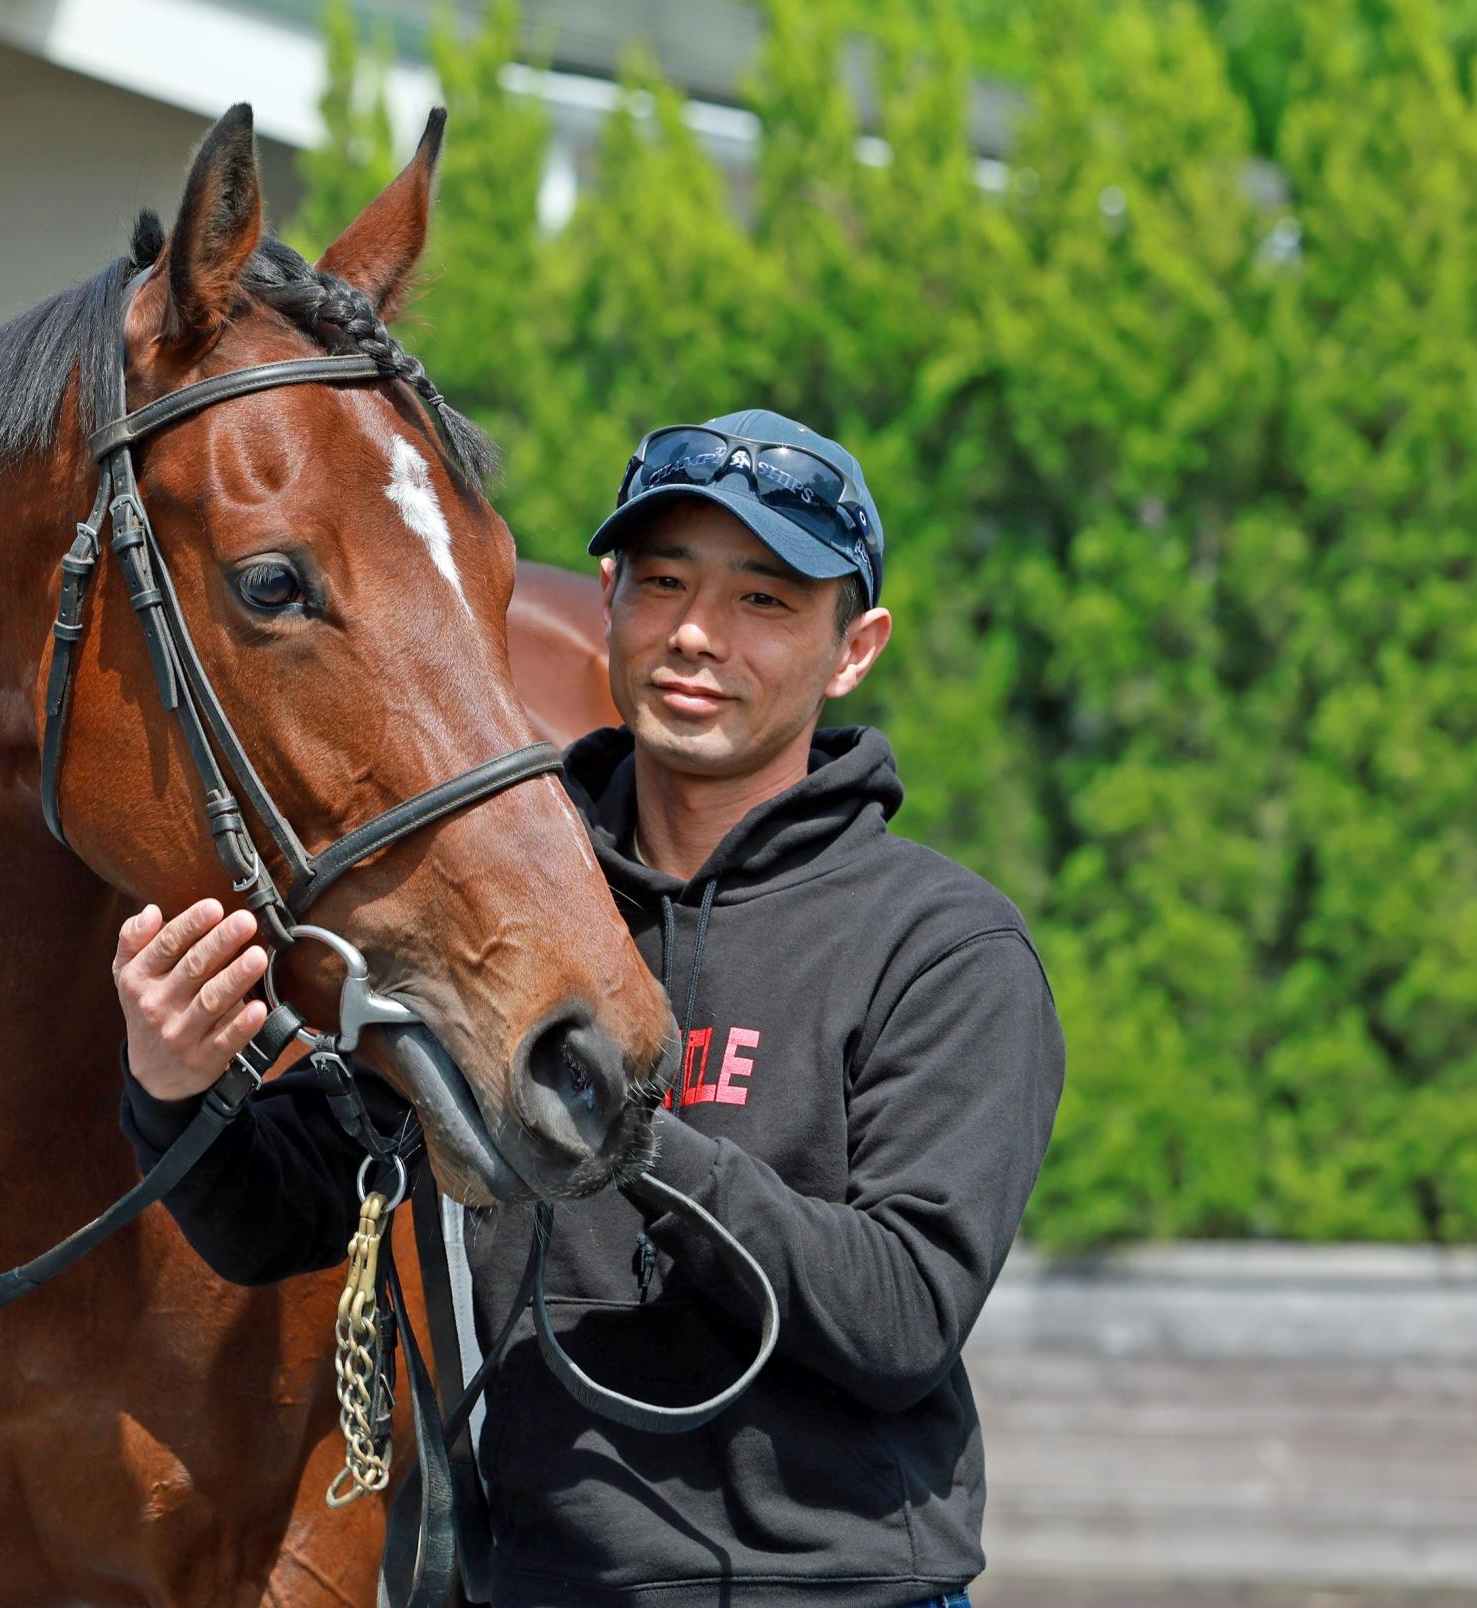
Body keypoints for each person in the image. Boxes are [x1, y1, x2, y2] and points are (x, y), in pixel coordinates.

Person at [113, 408, 1065, 1608]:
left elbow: (898, 1319)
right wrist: (174, 1083)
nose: (696, 636)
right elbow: (283, 1222)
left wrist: (623, 1132)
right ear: (606, 598)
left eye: (764, 601)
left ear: (854, 648)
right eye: (661, 583)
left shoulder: (941, 944)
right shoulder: (504, 905)